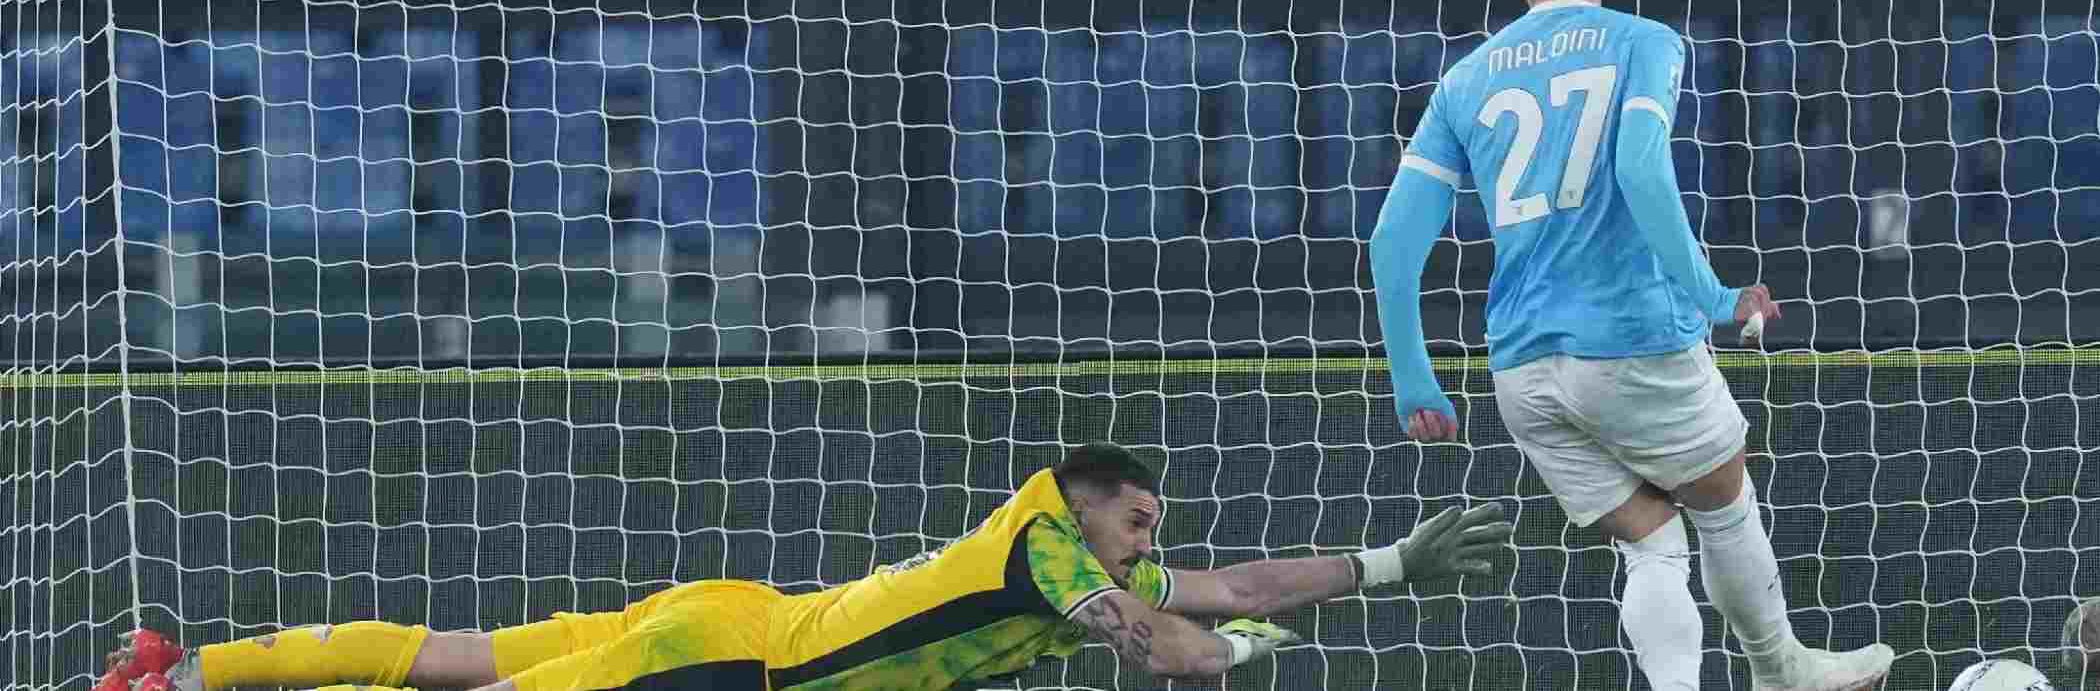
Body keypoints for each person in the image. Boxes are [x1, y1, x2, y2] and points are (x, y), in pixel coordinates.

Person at [1366, 0, 1894, 691]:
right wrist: (1718, 299)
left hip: (1521, 370)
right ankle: (1782, 670)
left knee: (1651, 544)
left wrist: (1413, 378)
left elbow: (1393, 242)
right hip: (1631, 337)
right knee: (1723, 504)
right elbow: (1640, 168)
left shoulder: (1464, 81)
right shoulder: (1643, 40)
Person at [101, 442, 1510, 691]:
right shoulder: (1045, 552)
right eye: (1142, 521)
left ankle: (182, 675)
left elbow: (1232, 595)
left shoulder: (1059, 553)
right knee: (474, 688)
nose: (1158, 545)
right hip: (731, 660)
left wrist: (1379, 568)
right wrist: (1239, 659)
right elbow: (1172, 642)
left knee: (466, 663)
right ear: (1093, 503)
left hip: (734, 625)